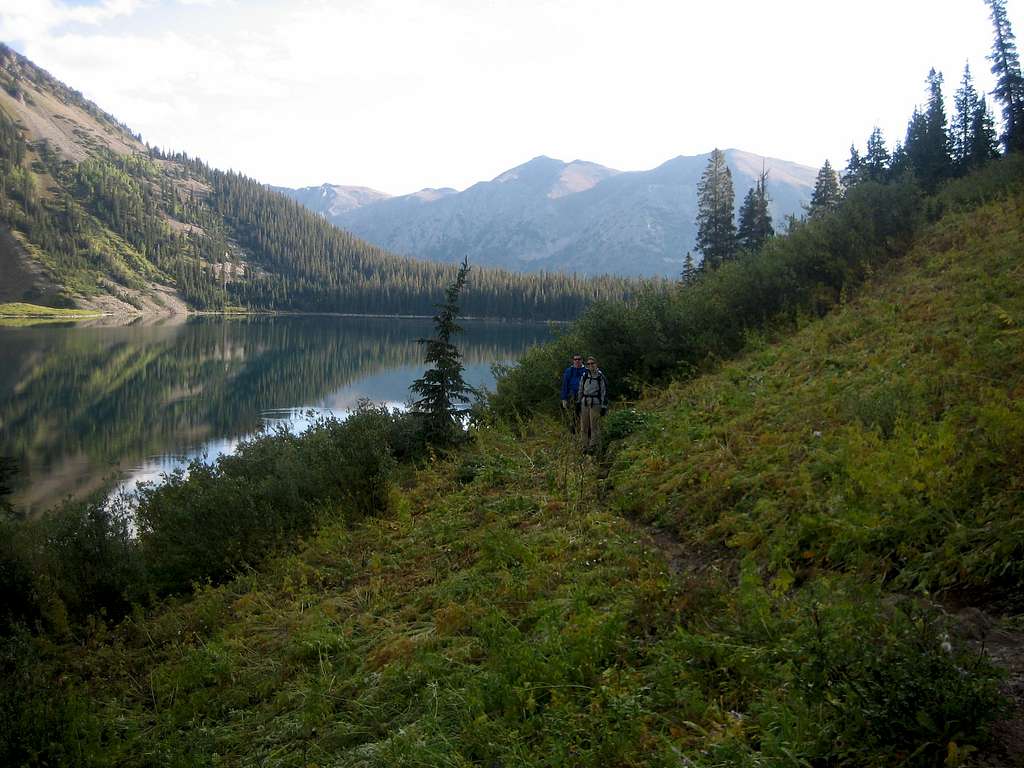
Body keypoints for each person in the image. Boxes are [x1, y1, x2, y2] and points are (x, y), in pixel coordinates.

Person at [577, 356, 607, 453]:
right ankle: (584, 447)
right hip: (584, 402)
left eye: (592, 363)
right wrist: (578, 402)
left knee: (594, 426)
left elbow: (604, 392)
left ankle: (593, 446)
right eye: (588, 364)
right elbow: (580, 389)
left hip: (595, 403)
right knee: (584, 426)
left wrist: (603, 406)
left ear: (596, 364)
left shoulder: (600, 376)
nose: (590, 365)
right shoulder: (585, 375)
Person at [560, 353, 586, 433]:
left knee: (584, 415)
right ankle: (573, 433)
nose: (577, 361)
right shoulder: (569, 371)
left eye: (579, 359)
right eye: (575, 359)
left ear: (582, 360)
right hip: (572, 397)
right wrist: (564, 399)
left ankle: (583, 432)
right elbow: (565, 385)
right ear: (573, 360)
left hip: (584, 396)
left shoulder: (586, 370)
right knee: (573, 416)